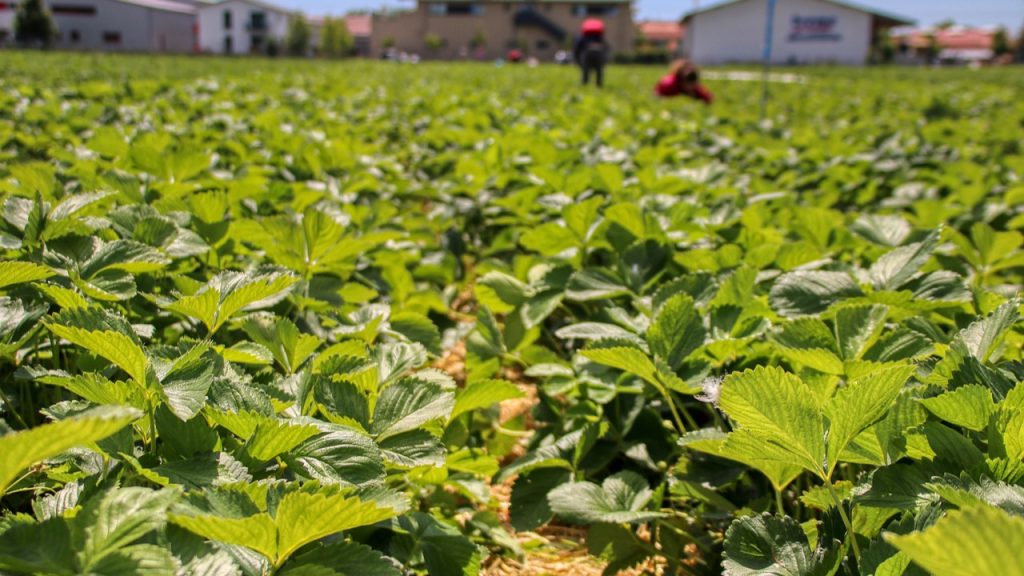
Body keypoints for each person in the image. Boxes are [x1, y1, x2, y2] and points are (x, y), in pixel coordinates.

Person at [574, 18, 608, 87]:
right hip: (598, 54)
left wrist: (577, 59)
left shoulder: (584, 37)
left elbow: (577, 48)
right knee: (599, 71)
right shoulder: (599, 38)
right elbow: (605, 48)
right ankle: (599, 85)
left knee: (585, 70)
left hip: (587, 54)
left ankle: (584, 84)